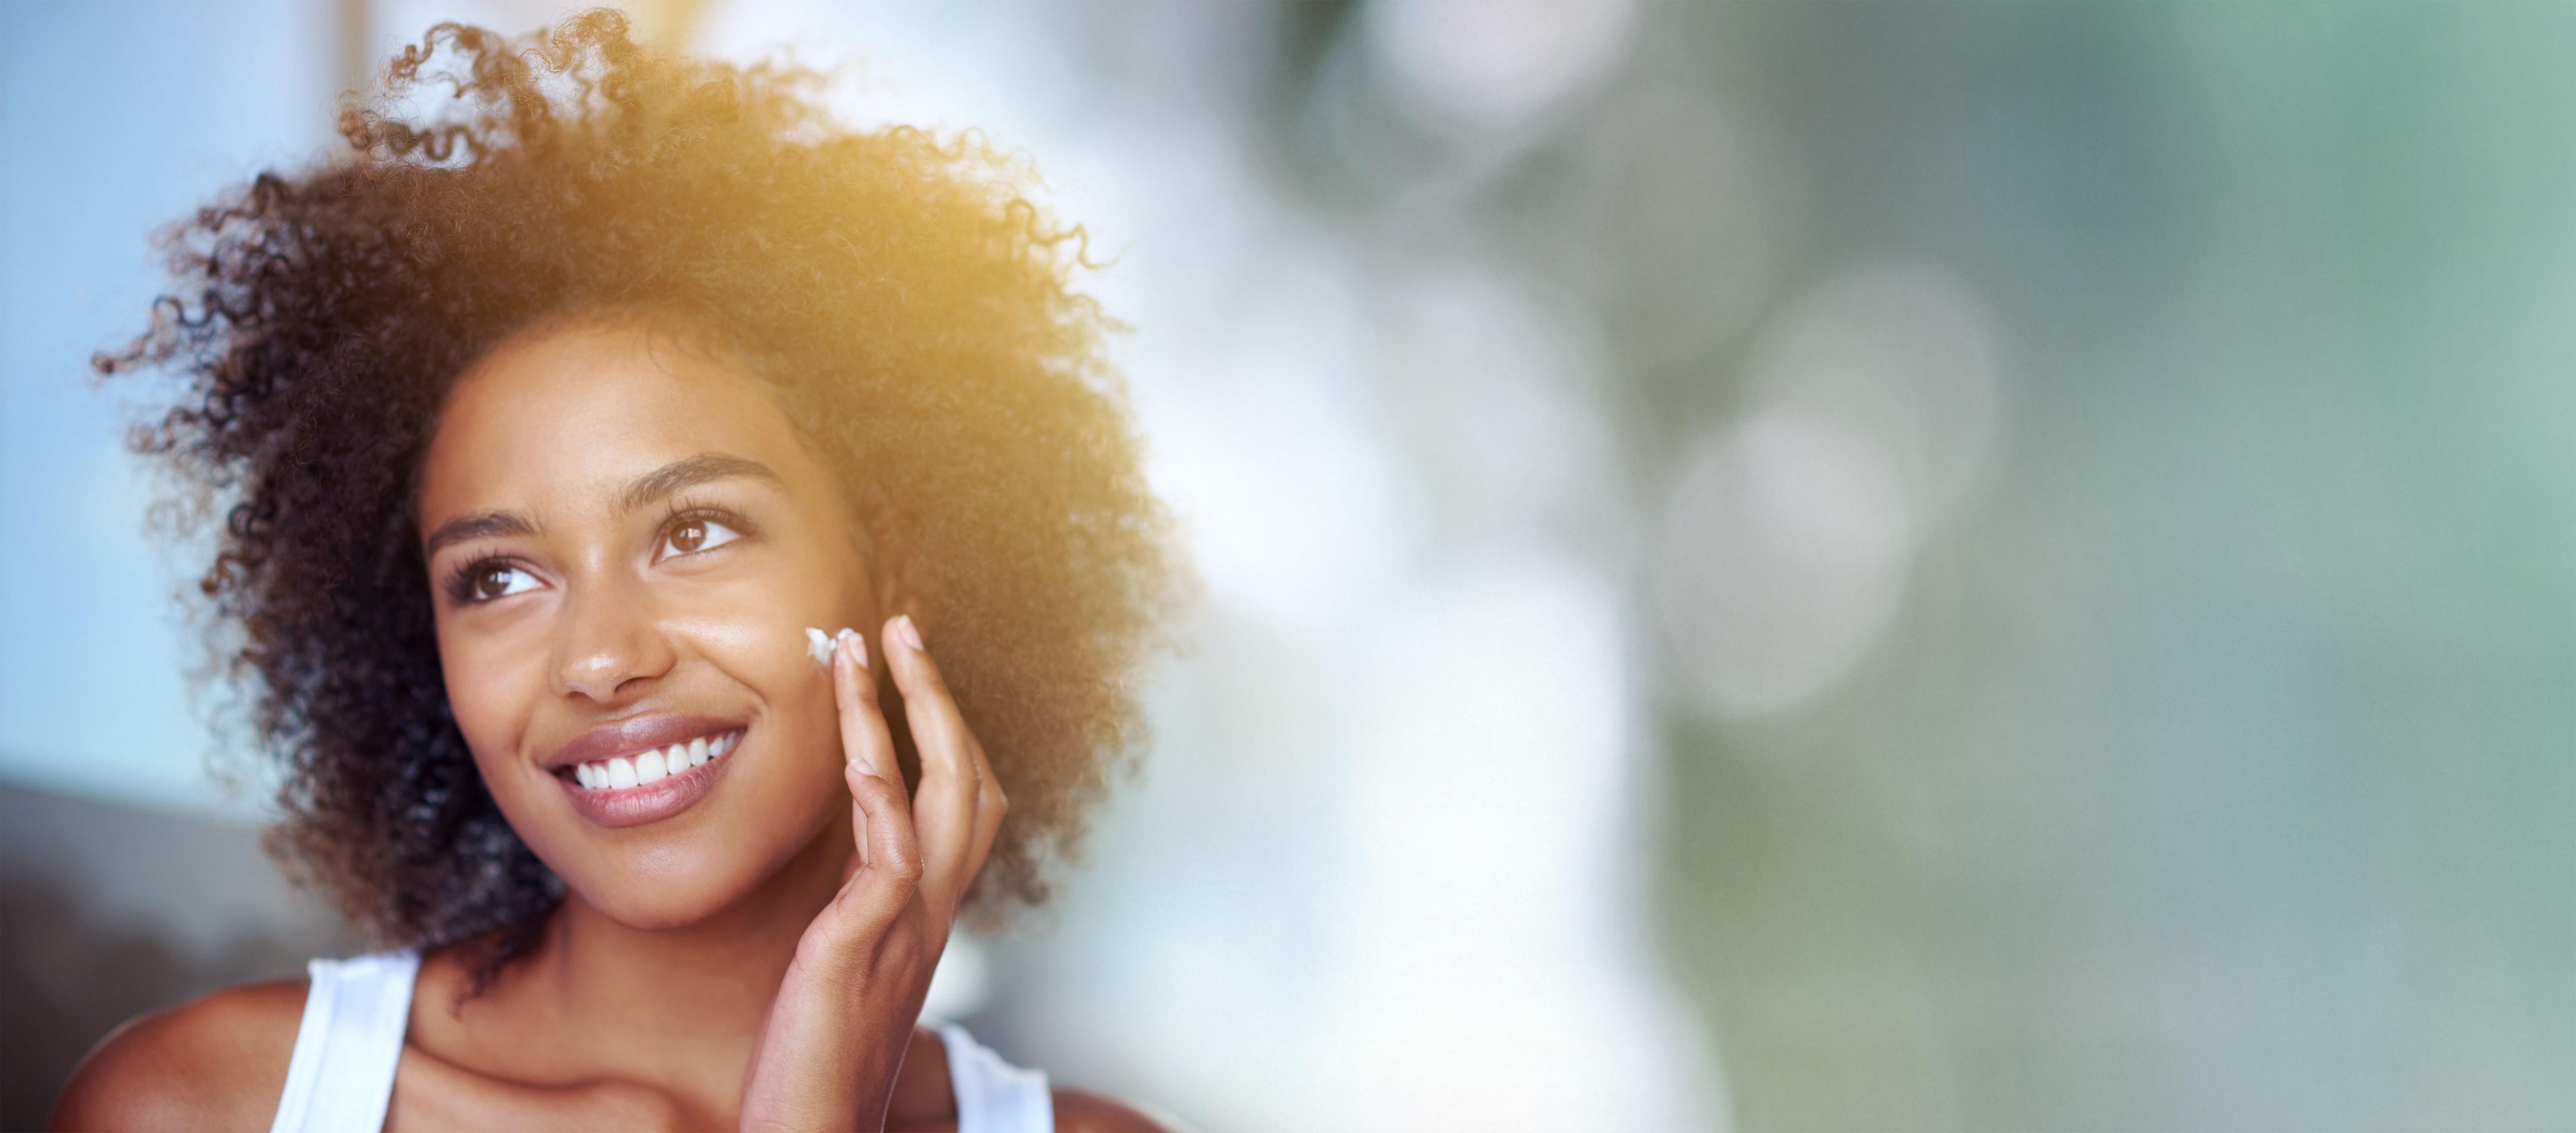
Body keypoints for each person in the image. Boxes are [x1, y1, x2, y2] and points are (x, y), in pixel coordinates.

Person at [47, 10, 1181, 1130]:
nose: (598, 656)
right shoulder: (202, 1105)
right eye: (497, 577)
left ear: (899, 565)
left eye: (693, 532)